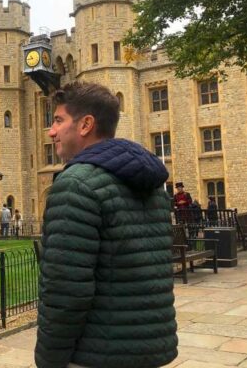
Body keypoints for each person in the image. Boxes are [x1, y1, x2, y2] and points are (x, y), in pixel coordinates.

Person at [35, 82, 177, 368]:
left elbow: (66, 292)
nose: (52, 131)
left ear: (86, 124)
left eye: (59, 121)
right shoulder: (151, 183)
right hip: (150, 347)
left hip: (97, 353)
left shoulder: (76, 185)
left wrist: (49, 360)